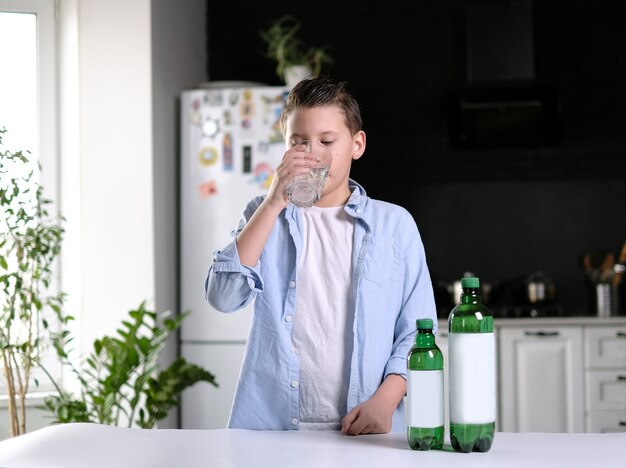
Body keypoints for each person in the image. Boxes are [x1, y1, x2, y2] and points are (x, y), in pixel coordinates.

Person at [205, 76, 436, 435]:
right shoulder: (263, 214)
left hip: (365, 430)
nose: (311, 153)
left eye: (327, 141)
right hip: (272, 430)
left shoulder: (395, 225)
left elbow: (418, 331)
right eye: (298, 142)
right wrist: (272, 202)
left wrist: (386, 401)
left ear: (357, 144)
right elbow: (223, 297)